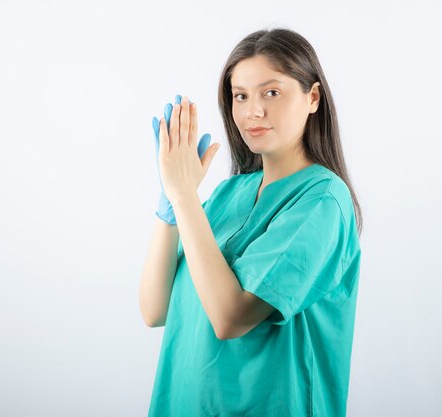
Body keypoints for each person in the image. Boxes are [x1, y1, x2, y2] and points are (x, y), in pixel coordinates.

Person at [140, 27, 363, 417]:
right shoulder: (229, 194)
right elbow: (155, 309)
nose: (252, 111)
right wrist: (170, 212)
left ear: (313, 98)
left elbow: (230, 317)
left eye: (271, 93)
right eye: (240, 95)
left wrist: (185, 197)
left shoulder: (323, 201)